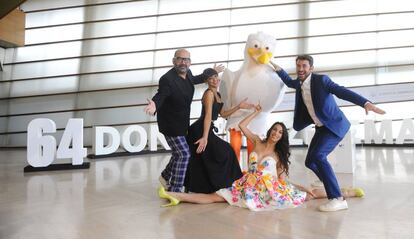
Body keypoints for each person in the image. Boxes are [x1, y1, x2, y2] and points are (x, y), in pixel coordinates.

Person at [157, 105, 365, 209]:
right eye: (274, 130)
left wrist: (300, 187)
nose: (275, 133)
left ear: (281, 137)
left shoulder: (278, 155)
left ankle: (346, 192)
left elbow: (281, 179)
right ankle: (177, 196)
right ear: (270, 131)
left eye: (279, 133)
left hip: (270, 187)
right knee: (218, 196)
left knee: (308, 194)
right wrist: (255, 112)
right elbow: (242, 126)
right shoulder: (257, 141)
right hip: (248, 183)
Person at [269, 55, 385, 212]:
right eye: (298, 66)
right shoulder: (299, 83)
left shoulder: (321, 81)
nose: (301, 69)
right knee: (310, 161)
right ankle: (334, 186)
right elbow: (289, 82)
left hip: (334, 126)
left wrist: (365, 103)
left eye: (304, 66)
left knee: (318, 156)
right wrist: (279, 70)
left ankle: (337, 198)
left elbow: (341, 91)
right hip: (321, 128)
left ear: (311, 68)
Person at [144, 49, 224, 192]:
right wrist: (155, 104)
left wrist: (212, 71)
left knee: (178, 153)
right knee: (184, 154)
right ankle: (175, 190)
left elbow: (196, 79)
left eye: (186, 60)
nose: (183, 62)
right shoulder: (167, 79)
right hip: (170, 125)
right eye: (180, 59)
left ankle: (165, 176)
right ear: (174, 61)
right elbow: (161, 95)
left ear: (190, 62)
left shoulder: (188, 74)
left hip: (182, 122)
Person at [185, 68, 253, 193]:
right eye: (211, 78)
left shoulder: (218, 94)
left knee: (225, 152)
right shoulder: (209, 94)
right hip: (200, 129)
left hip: (206, 128)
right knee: (226, 151)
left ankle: (227, 183)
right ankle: (224, 183)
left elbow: (223, 114)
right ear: (206, 81)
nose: (215, 80)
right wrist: (205, 137)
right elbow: (208, 116)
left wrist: (239, 106)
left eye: (216, 77)